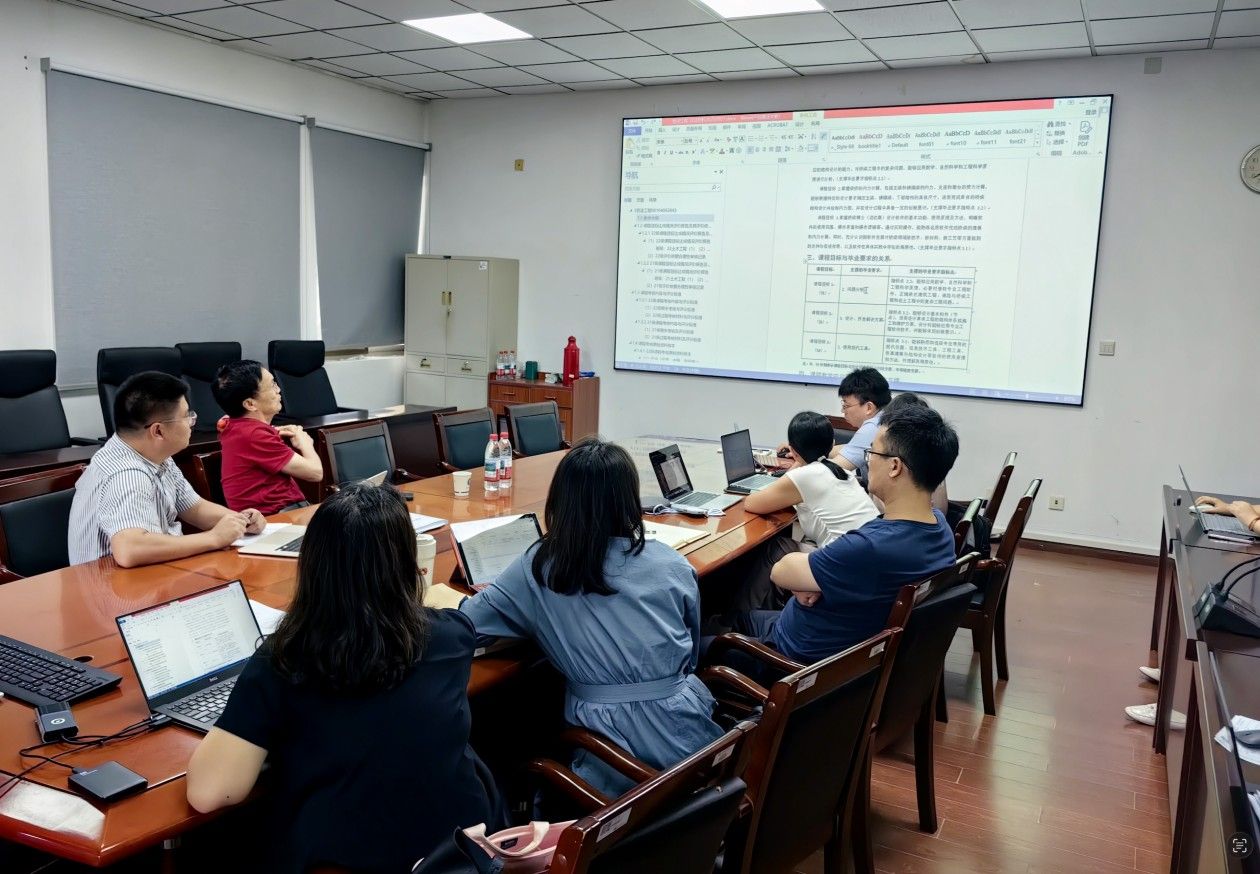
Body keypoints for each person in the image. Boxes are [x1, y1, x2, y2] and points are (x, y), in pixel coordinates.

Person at [186, 484, 499, 873]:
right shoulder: (453, 636)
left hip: (341, 856)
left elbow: (209, 793)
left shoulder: (283, 660)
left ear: (311, 566)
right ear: (407, 563)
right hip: (457, 853)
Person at [460, 437, 722, 795]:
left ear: (560, 500)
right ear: (629, 499)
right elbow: (689, 655)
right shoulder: (672, 563)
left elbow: (468, 624)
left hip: (616, 758)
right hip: (693, 737)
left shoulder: (541, 566)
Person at [722, 404, 959, 667]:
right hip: (834, 639)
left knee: (708, 639)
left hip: (793, 661)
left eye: (872, 452)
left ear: (894, 466)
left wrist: (809, 580)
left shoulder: (870, 548)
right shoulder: (939, 527)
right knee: (736, 617)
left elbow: (782, 570)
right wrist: (816, 581)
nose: (867, 460)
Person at [67, 371, 265, 567]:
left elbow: (195, 508)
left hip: (151, 571)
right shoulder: (126, 473)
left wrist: (240, 521)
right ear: (158, 431)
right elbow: (130, 549)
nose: (192, 422)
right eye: (186, 416)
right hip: (115, 582)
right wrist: (213, 538)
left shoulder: (155, 455)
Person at [738, 411, 878, 610]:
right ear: (832, 444)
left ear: (793, 450)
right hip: (865, 562)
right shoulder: (841, 471)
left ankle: (739, 617)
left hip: (842, 565)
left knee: (777, 549)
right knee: (785, 546)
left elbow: (752, 503)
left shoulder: (806, 476)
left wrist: (796, 462)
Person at [212, 360, 322, 514]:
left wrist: (273, 430)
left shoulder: (233, 426)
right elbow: (315, 473)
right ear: (250, 404)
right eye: (272, 386)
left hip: (285, 512)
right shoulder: (254, 435)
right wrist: (305, 442)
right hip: (276, 518)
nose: (279, 390)